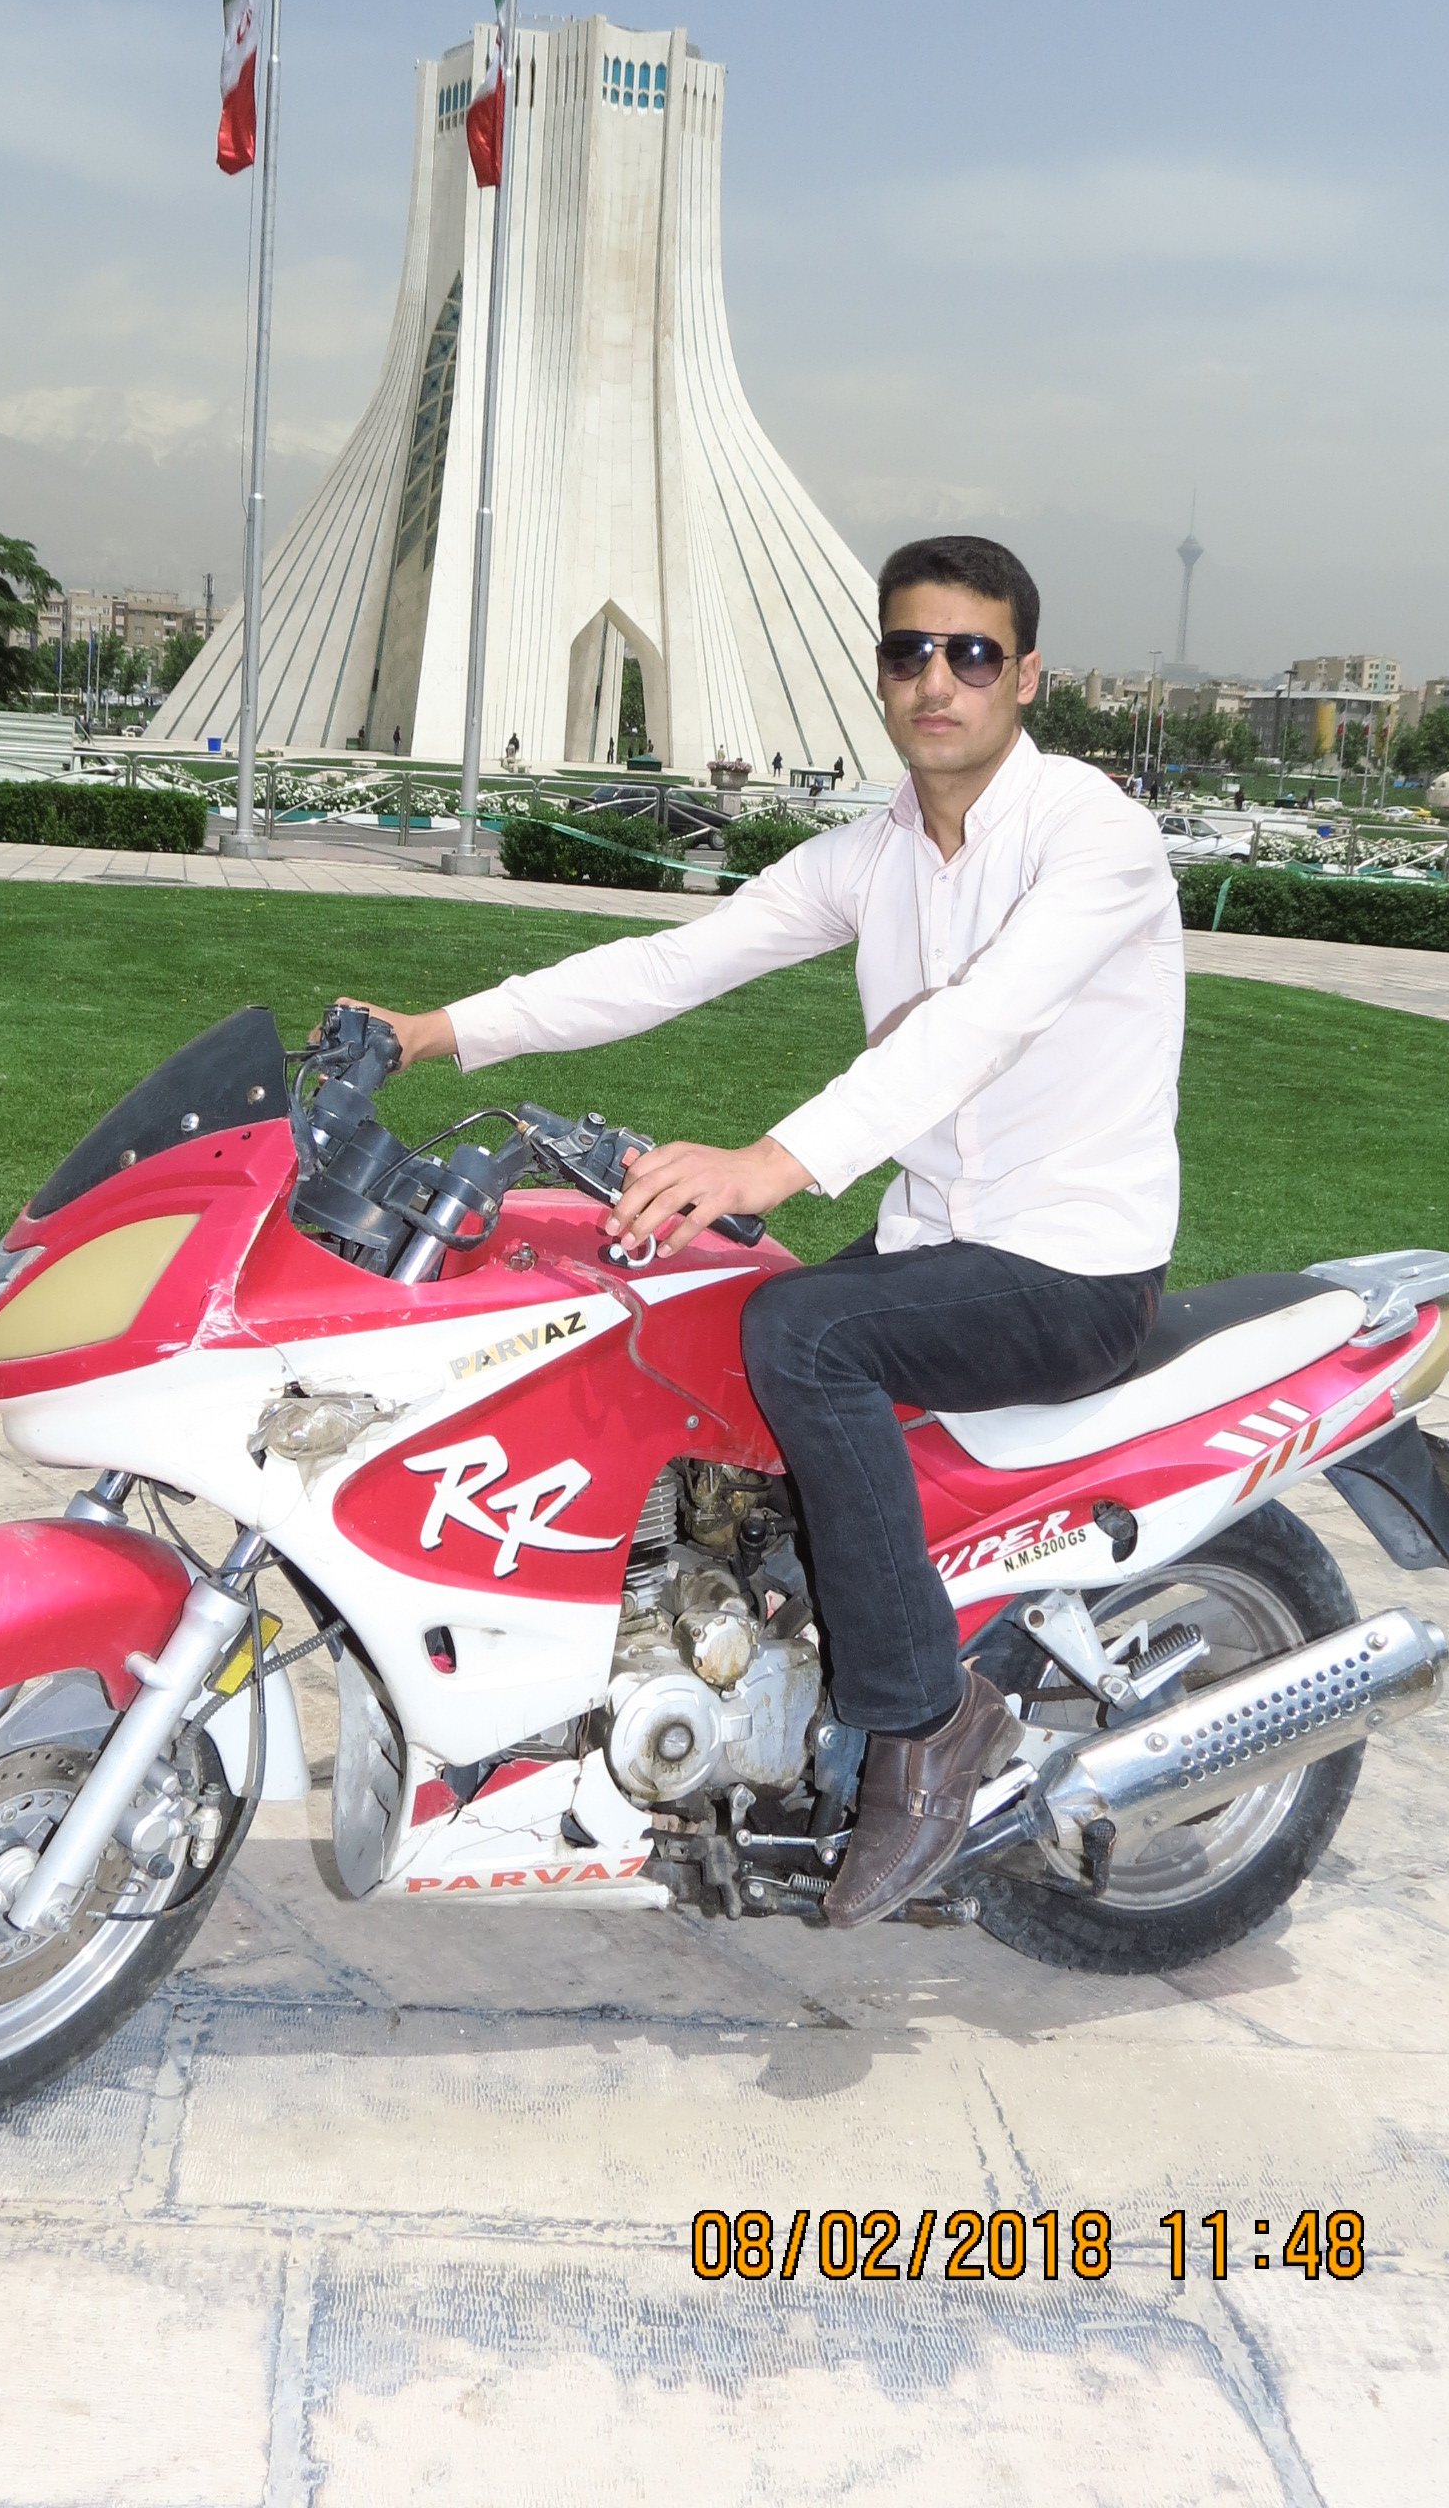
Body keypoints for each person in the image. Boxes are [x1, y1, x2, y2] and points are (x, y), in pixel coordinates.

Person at [354, 535, 1182, 1928]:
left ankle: (927, 1723)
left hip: (1073, 1263)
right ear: (881, 671)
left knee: (801, 1334)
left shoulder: (1092, 835)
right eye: (911, 650)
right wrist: (435, 1033)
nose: (938, 680)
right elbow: (675, 963)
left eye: (972, 653)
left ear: (1027, 676)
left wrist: (767, 1165)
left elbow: (980, 1028)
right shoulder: (875, 855)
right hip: (933, 1243)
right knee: (695, 1323)